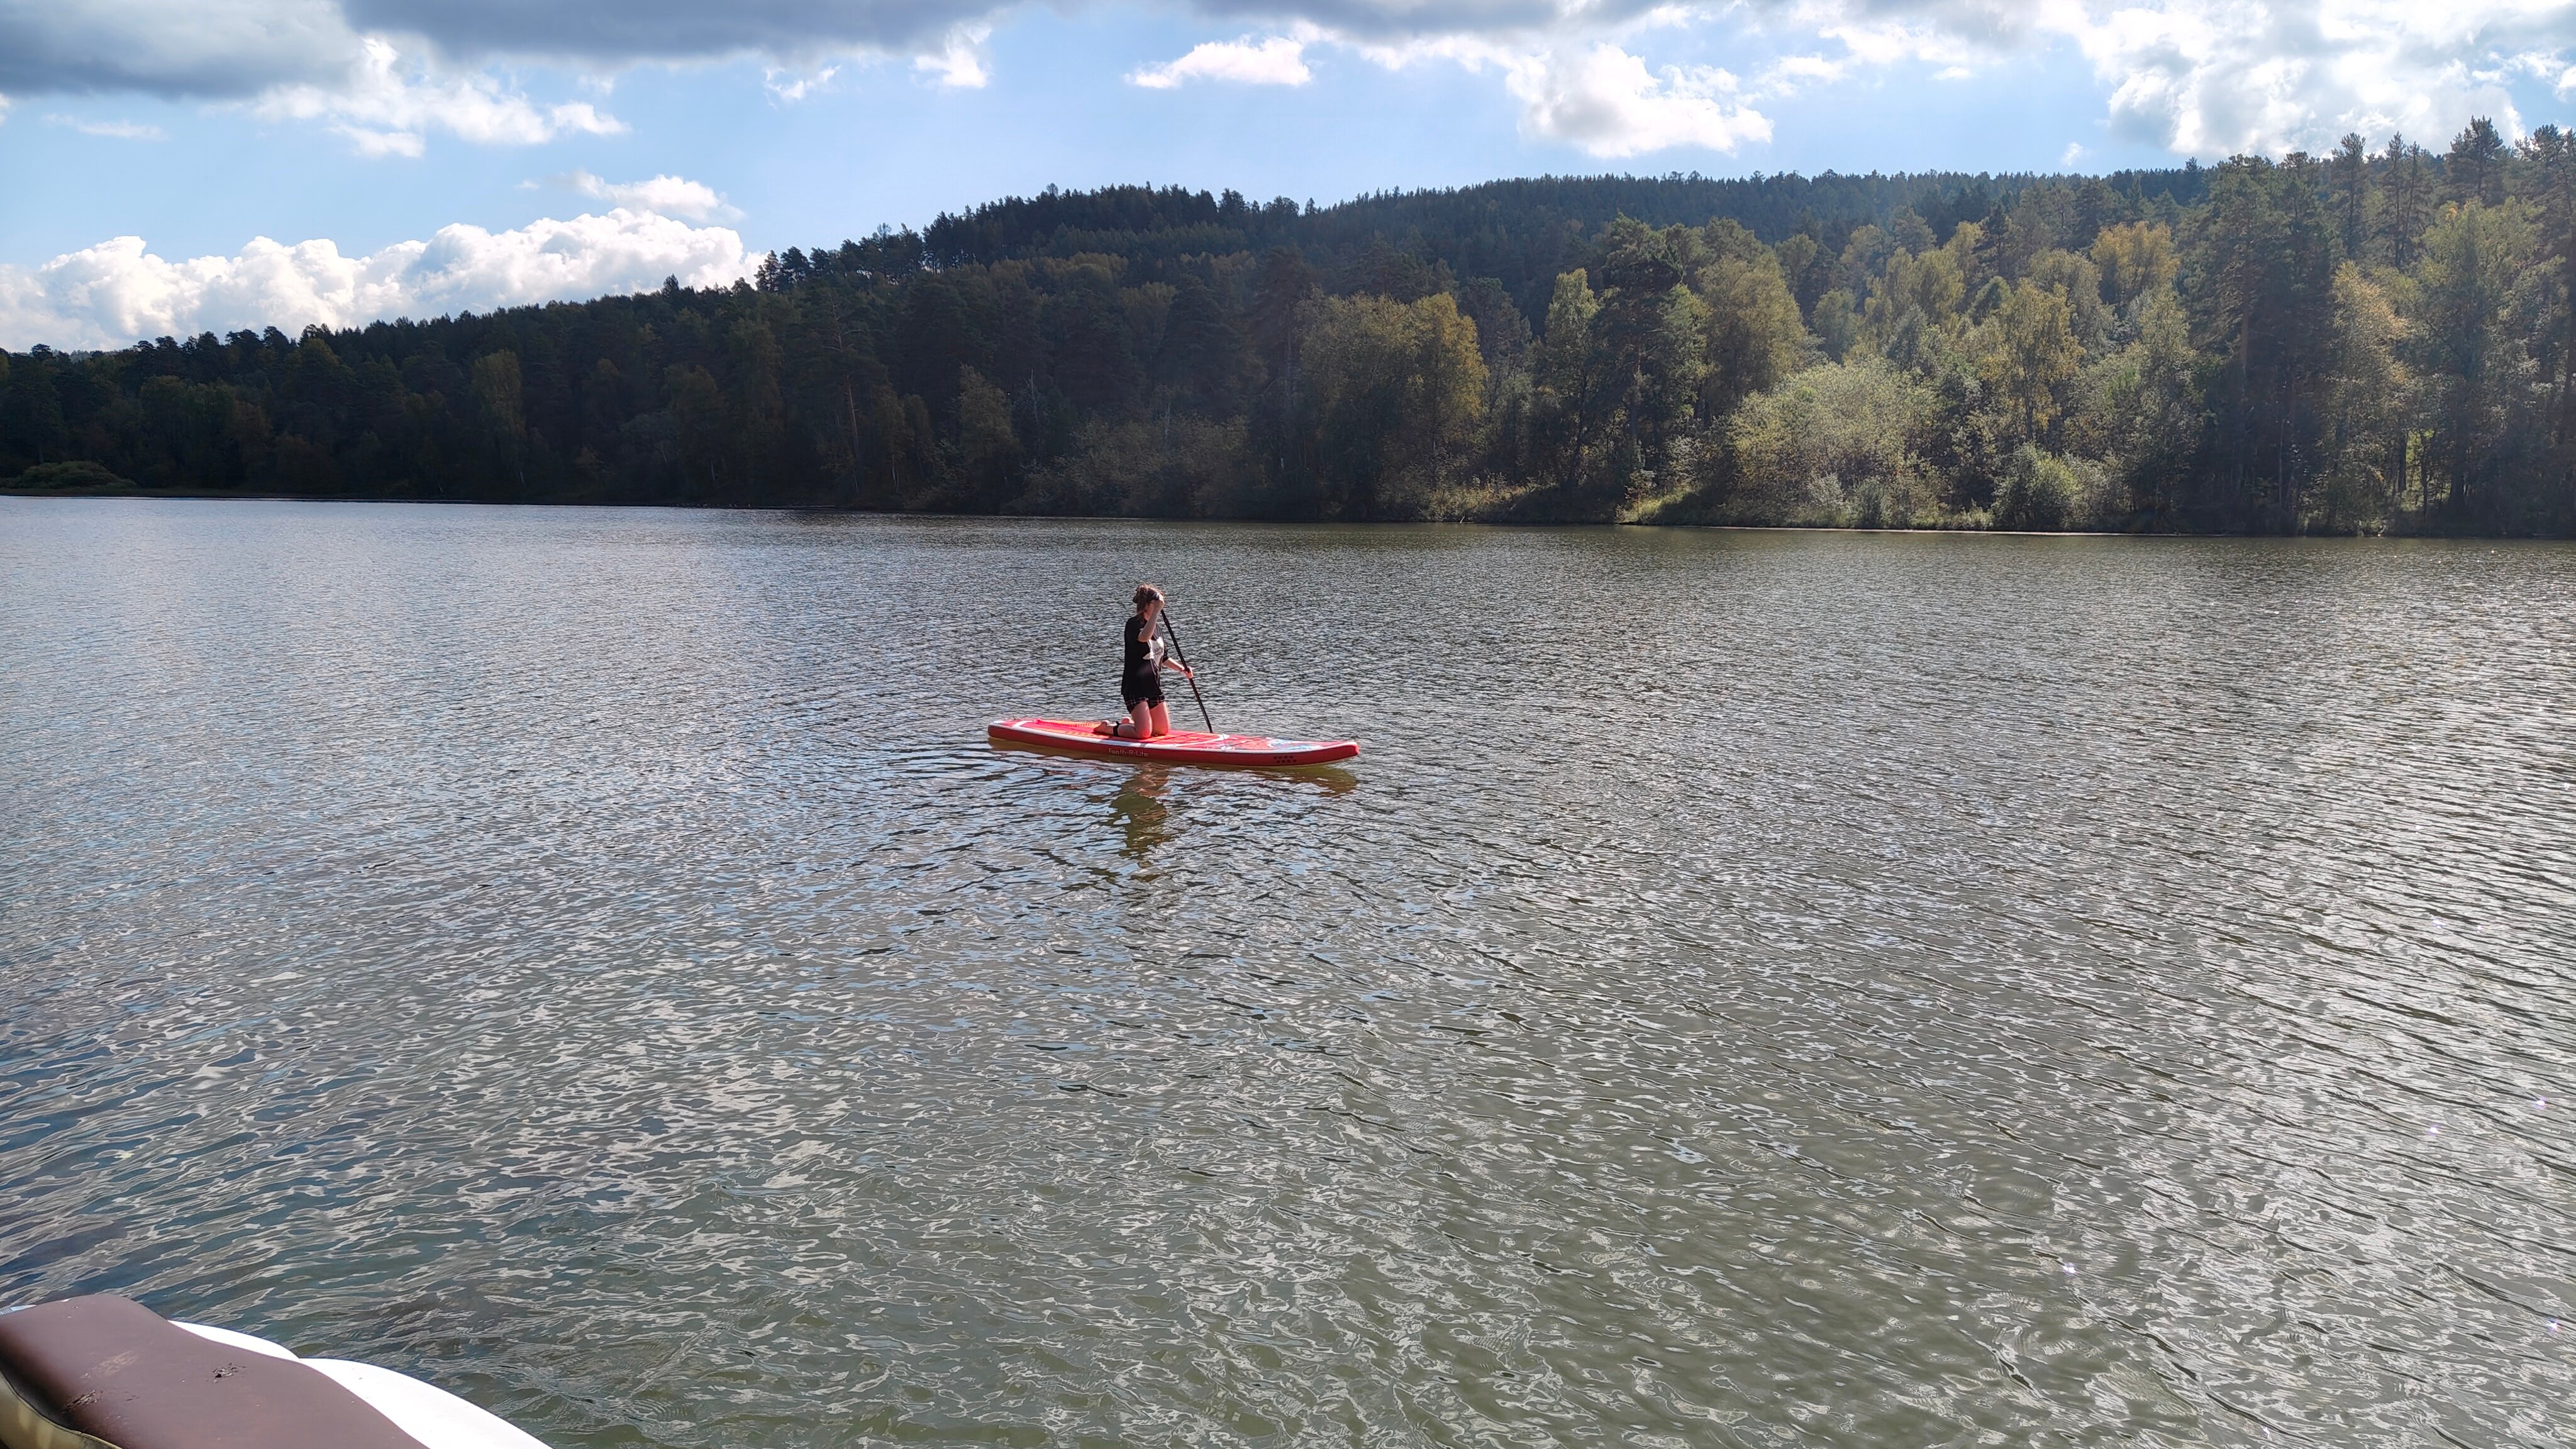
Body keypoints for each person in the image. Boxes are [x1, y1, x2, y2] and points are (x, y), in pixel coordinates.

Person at [1101, 584, 1192, 739]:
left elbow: (1163, 657)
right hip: (1135, 687)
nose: (1160, 607)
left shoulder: (1157, 628)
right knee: (1143, 734)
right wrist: (1156, 612)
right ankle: (1108, 728)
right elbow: (1143, 638)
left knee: (1161, 731)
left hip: (1153, 686)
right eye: (1156, 604)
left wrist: (1182, 669)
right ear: (1146, 605)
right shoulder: (1133, 624)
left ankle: (1128, 724)